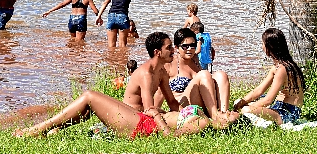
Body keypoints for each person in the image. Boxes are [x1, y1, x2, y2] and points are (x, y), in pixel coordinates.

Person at [14, 32, 213, 138]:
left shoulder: (160, 72)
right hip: (133, 117)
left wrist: (179, 111)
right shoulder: (145, 73)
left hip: (137, 122)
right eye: (169, 48)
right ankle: (46, 129)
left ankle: (40, 129)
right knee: (88, 106)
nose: (174, 51)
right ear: (157, 52)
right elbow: (151, 109)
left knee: (90, 97)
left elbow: (164, 105)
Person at [154, 28, 239, 128]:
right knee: (204, 74)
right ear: (176, 47)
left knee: (221, 75)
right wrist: (154, 112)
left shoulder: (195, 59)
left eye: (193, 45)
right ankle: (216, 117)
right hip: (184, 107)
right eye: (185, 46)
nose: (190, 49)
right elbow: (160, 92)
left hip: (203, 103)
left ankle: (223, 112)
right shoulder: (169, 64)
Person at [233, 28, 305, 125]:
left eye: (263, 44)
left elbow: (268, 100)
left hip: (288, 112)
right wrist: (242, 102)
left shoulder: (282, 69)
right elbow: (259, 90)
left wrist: (248, 107)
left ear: (269, 47)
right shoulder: (279, 66)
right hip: (279, 105)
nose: (262, 46)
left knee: (246, 110)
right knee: (241, 103)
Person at [96, 0, 168, 47]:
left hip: (111, 17)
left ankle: (112, 58)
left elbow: (105, 3)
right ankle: (121, 59)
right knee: (122, 45)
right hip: (122, 17)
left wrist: (99, 16)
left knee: (111, 45)